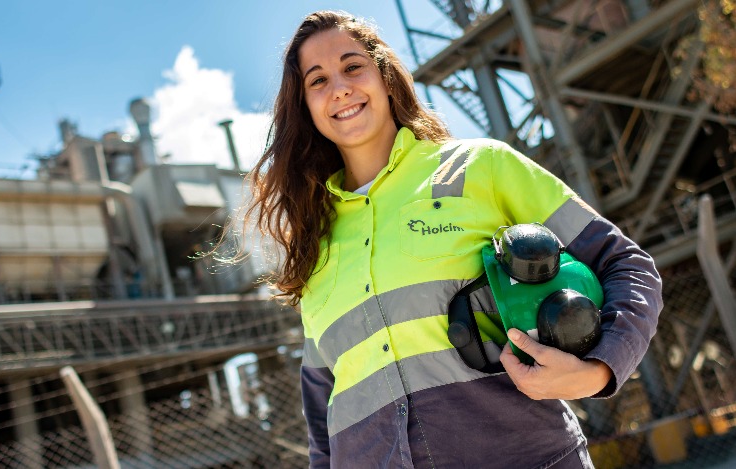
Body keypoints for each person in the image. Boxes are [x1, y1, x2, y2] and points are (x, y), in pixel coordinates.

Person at [244, 10, 663, 468]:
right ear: (304, 106)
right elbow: (322, 411)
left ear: (385, 76)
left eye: (352, 66)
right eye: (317, 80)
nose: (340, 87)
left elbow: (625, 263)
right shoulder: (313, 243)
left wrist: (598, 370)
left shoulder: (482, 166)